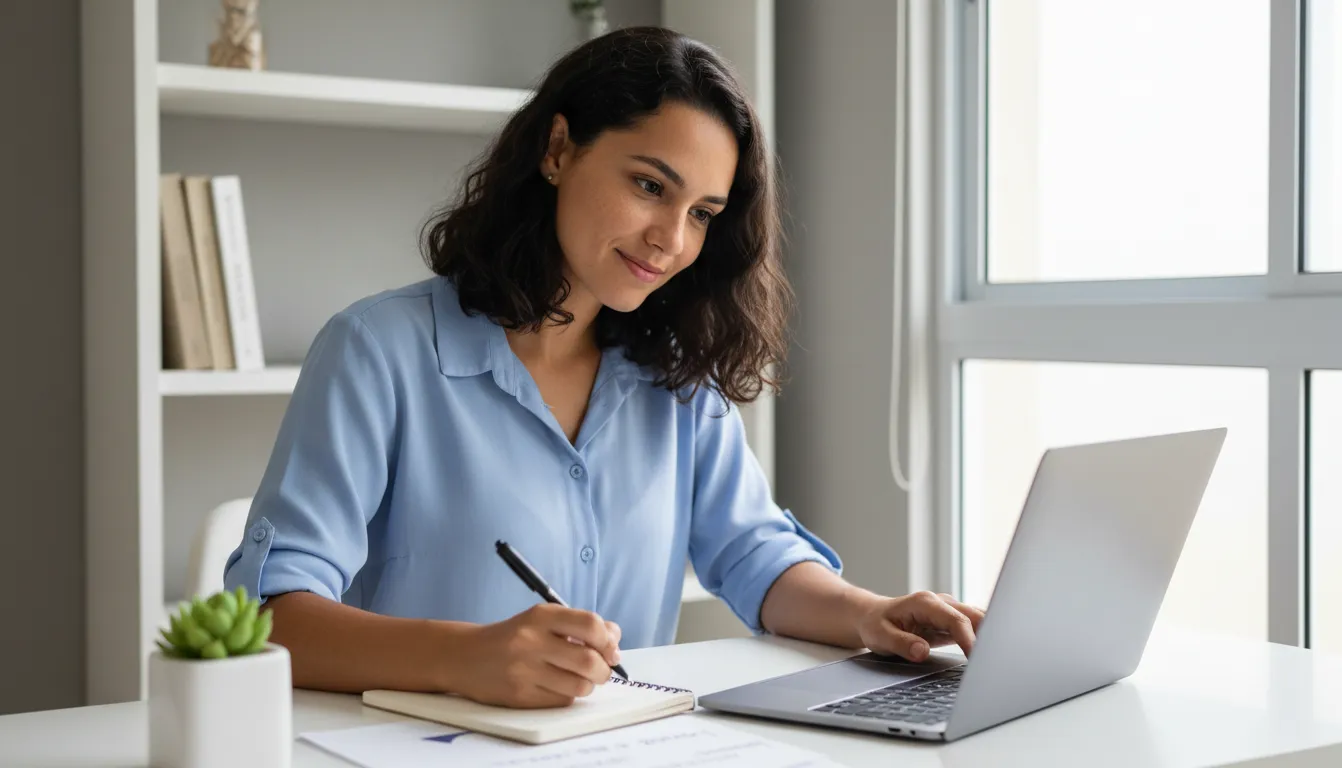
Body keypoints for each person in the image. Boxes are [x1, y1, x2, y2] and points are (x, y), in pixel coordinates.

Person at [222, 26, 983, 710]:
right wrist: (466, 658)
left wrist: (866, 614)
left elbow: (754, 553)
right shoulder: (377, 351)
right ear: (557, 150)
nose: (671, 240)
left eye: (702, 214)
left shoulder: (676, 377)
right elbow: (268, 617)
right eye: (650, 186)